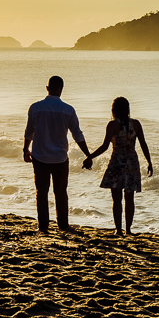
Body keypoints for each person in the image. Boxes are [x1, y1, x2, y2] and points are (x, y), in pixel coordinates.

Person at [24, 76, 91, 233]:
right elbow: (77, 135)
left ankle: (43, 226)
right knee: (60, 192)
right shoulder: (68, 110)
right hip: (60, 157)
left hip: (39, 156)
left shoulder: (35, 107)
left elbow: (29, 132)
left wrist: (25, 149)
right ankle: (63, 225)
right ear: (61, 89)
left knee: (42, 191)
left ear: (47, 88)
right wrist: (88, 154)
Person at [83, 96, 153, 235]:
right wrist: (149, 162)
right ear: (128, 109)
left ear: (114, 110)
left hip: (117, 163)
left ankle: (119, 230)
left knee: (116, 200)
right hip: (132, 162)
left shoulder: (113, 125)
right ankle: (128, 230)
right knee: (129, 198)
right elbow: (143, 144)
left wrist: (90, 157)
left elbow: (104, 147)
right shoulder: (136, 124)